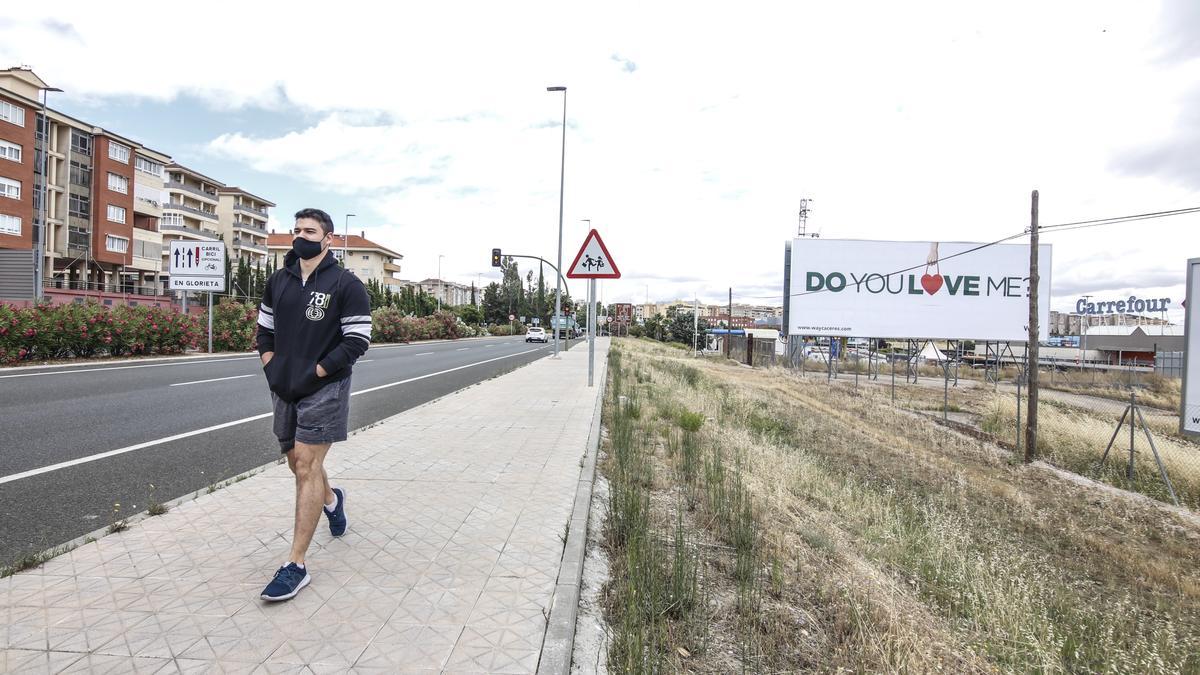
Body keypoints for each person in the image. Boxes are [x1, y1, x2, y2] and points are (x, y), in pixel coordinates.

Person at [255, 208, 372, 601]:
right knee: (297, 462)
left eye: (310, 230)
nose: (301, 236)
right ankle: (332, 500)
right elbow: (264, 331)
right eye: (297, 230)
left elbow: (357, 341)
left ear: (327, 238)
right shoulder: (278, 281)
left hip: (326, 387)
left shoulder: (346, 284)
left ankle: (296, 565)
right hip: (284, 386)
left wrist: (320, 371)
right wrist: (272, 367)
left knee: (306, 462)